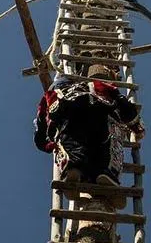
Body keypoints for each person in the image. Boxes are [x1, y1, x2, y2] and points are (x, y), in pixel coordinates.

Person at [33, 63, 144, 208]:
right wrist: (136, 127)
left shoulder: (50, 96)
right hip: (97, 108)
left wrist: (50, 145)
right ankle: (106, 174)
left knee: (71, 144)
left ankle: (73, 169)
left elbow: (40, 127)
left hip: (64, 113)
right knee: (105, 143)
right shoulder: (95, 85)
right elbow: (122, 102)